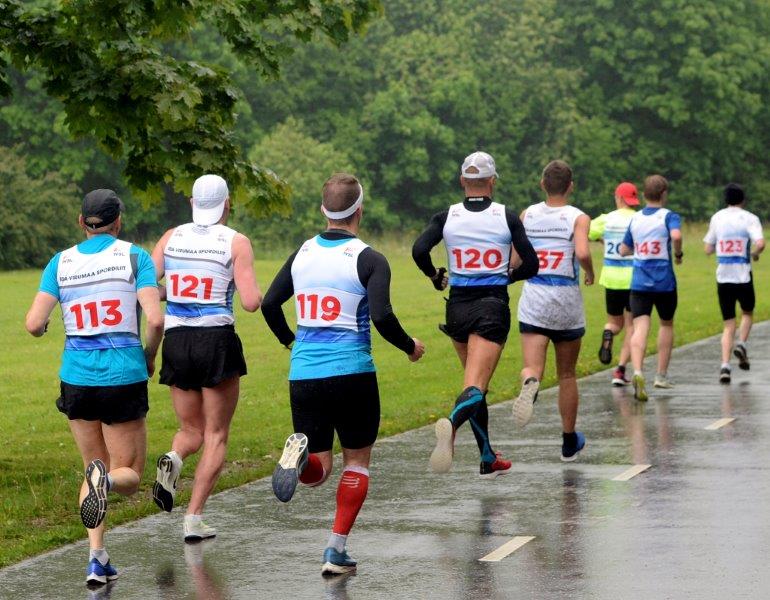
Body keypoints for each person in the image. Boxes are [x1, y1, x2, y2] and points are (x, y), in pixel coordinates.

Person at [261, 173, 425, 576]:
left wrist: (291, 342)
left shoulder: (301, 253)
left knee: (318, 471)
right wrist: (410, 346)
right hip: (353, 374)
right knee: (356, 463)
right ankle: (335, 550)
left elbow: (269, 304)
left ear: (324, 210)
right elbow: (382, 316)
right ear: (359, 210)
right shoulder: (370, 259)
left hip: (305, 375)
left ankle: (300, 460)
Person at [24, 190, 163, 585]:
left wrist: (47, 327)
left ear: (80, 221)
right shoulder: (135, 257)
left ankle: (96, 558)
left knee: (93, 467)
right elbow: (155, 320)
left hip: (77, 379)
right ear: (118, 221)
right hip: (122, 378)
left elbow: (33, 324)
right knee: (128, 475)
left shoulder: (60, 262)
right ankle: (108, 486)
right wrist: (149, 356)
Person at [411, 151, 538, 477]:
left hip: (457, 308)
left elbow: (419, 250)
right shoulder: (506, 216)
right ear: (492, 181)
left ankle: (487, 456)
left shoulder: (447, 217)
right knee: (476, 387)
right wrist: (510, 276)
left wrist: (435, 275)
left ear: (462, 181)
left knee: (475, 387)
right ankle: (451, 425)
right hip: (490, 308)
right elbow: (532, 264)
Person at [150, 174, 262, 541]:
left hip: (176, 340)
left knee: (190, 431)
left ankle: (174, 457)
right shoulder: (236, 241)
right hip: (216, 342)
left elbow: (146, 282)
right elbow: (251, 302)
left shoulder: (171, 236)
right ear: (227, 204)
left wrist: (173, 289)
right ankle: (194, 518)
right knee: (215, 434)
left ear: (192, 203)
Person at [513, 160, 594, 462]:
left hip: (535, 298)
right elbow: (582, 252)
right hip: (565, 301)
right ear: (570, 186)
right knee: (567, 374)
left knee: (532, 366)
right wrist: (590, 271)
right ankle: (569, 441)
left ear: (542, 184)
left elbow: (515, 259)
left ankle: (530, 383)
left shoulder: (528, 215)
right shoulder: (578, 217)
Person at [619, 174, 683, 401]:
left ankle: (637, 371)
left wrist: (637, 248)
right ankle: (661, 375)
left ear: (644, 194)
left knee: (640, 327)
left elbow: (623, 250)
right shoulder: (669, 216)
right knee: (666, 324)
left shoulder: (635, 219)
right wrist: (678, 253)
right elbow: (676, 235)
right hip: (664, 282)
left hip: (639, 283)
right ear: (663, 194)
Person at [703, 183, 765, 383]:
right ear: (743, 200)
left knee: (728, 324)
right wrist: (754, 253)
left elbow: (707, 248)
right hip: (743, 275)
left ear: (726, 199)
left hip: (723, 276)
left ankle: (725, 366)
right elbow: (760, 243)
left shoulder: (717, 218)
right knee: (747, 312)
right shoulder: (750, 218)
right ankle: (742, 344)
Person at [588, 182, 639, 385]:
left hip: (611, 278)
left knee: (614, 323)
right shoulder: (638, 218)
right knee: (631, 326)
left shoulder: (606, 219)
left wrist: (602, 239)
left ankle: (608, 333)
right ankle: (620, 371)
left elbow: (588, 233)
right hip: (634, 279)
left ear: (618, 198)